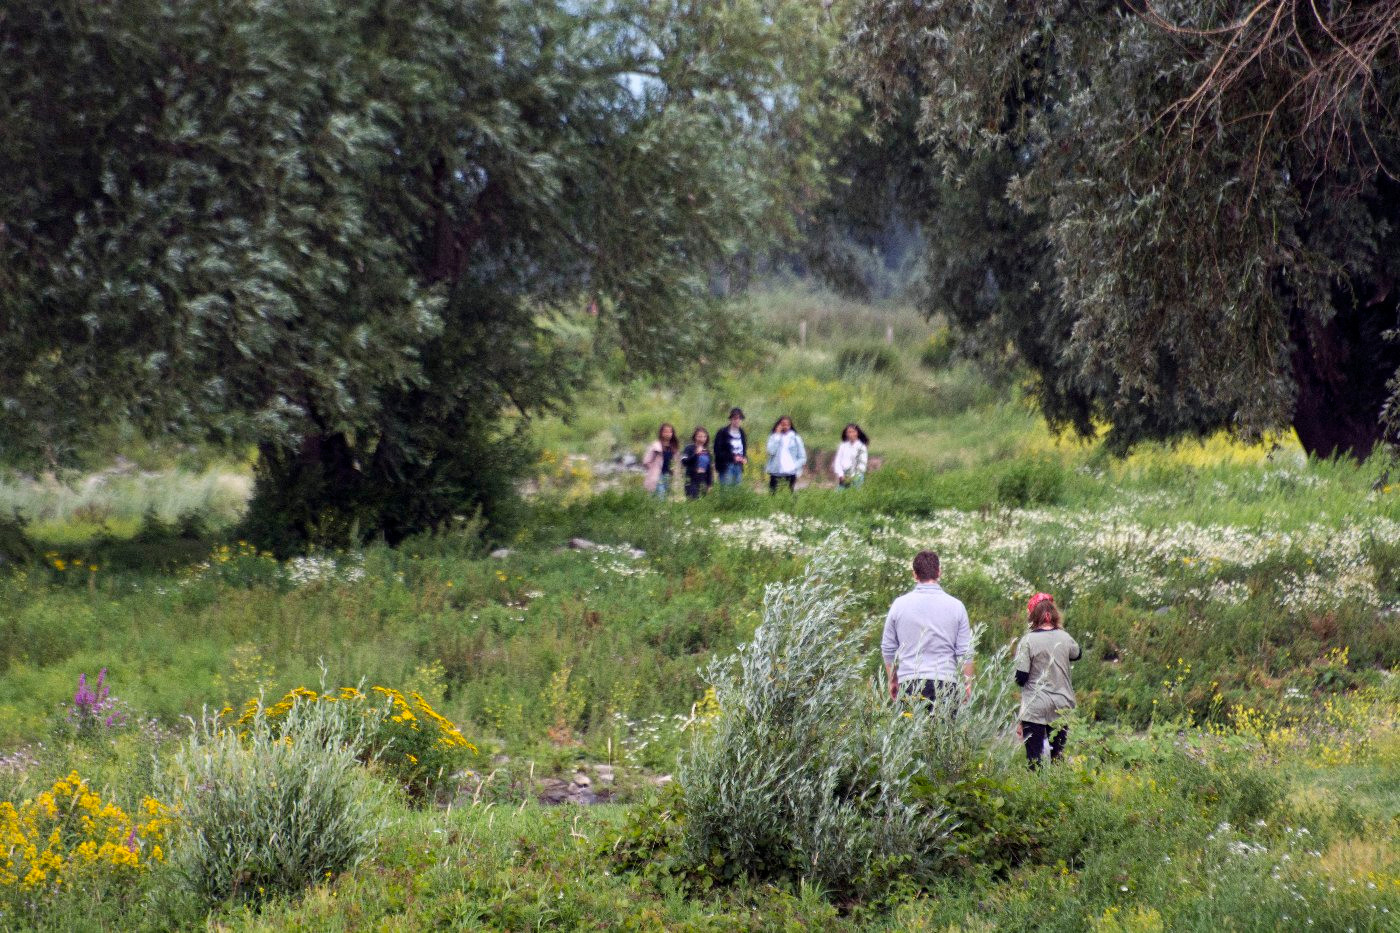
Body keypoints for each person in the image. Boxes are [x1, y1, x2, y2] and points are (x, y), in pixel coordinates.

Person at [881, 550, 974, 713]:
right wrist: (967, 682)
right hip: (945, 684)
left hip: (909, 683)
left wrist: (893, 679)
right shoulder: (957, 606)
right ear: (939, 572)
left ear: (914, 575)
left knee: (910, 736)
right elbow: (965, 651)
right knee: (943, 736)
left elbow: (888, 648)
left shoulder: (899, 605)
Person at [1014, 593, 1081, 769]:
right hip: (1061, 702)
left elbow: (1020, 678)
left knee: (1034, 760)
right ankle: (1057, 789)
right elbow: (1077, 653)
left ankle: (1036, 791)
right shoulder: (1065, 637)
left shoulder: (1027, 641)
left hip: (1035, 706)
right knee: (1057, 756)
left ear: (1032, 615)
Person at [764, 415, 806, 494]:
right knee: (773, 494)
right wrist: (777, 436)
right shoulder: (773, 437)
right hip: (776, 471)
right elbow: (771, 451)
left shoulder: (795, 438)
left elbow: (802, 457)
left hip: (790, 472)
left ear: (790, 426)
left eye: (787, 425)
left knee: (789, 494)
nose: (785, 427)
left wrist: (794, 466)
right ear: (779, 425)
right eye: (783, 424)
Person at [642, 423, 679, 499]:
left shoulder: (673, 447)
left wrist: (674, 470)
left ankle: (658, 510)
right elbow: (646, 461)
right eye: (665, 432)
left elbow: (676, 462)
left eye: (670, 432)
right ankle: (659, 510)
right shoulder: (656, 445)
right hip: (658, 475)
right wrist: (653, 469)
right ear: (661, 433)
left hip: (668, 475)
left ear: (672, 433)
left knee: (666, 495)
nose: (668, 434)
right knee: (660, 496)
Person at [714, 407, 748, 487]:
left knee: (737, 493)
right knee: (726, 491)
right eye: (735, 418)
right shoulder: (722, 432)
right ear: (731, 419)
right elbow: (718, 451)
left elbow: (743, 448)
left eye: (739, 418)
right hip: (726, 466)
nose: (737, 420)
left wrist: (744, 457)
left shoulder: (741, 433)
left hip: (738, 466)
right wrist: (732, 457)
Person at [680, 426, 714, 499]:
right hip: (691, 480)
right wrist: (695, 454)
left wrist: (709, 484)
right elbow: (684, 462)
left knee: (703, 504)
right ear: (695, 437)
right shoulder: (688, 448)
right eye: (700, 436)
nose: (702, 439)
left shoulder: (707, 451)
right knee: (692, 501)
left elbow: (709, 470)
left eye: (704, 436)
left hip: (703, 481)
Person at [832, 423, 869, 489]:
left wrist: (852, 477)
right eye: (849, 432)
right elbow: (837, 461)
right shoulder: (842, 446)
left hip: (857, 476)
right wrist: (841, 475)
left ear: (857, 433)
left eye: (853, 432)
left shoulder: (861, 447)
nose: (851, 434)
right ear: (846, 434)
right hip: (844, 475)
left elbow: (862, 464)